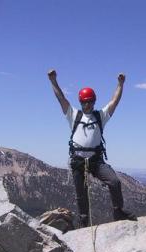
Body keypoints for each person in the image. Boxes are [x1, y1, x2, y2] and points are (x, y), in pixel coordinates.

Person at [48, 69, 137, 227]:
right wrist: (53, 81)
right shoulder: (73, 115)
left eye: (89, 101)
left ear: (94, 101)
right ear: (81, 102)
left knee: (114, 182)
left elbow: (114, 102)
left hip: (96, 160)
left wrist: (120, 84)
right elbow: (61, 98)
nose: (87, 104)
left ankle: (118, 211)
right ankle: (84, 222)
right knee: (81, 194)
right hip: (78, 161)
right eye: (84, 102)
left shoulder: (100, 116)